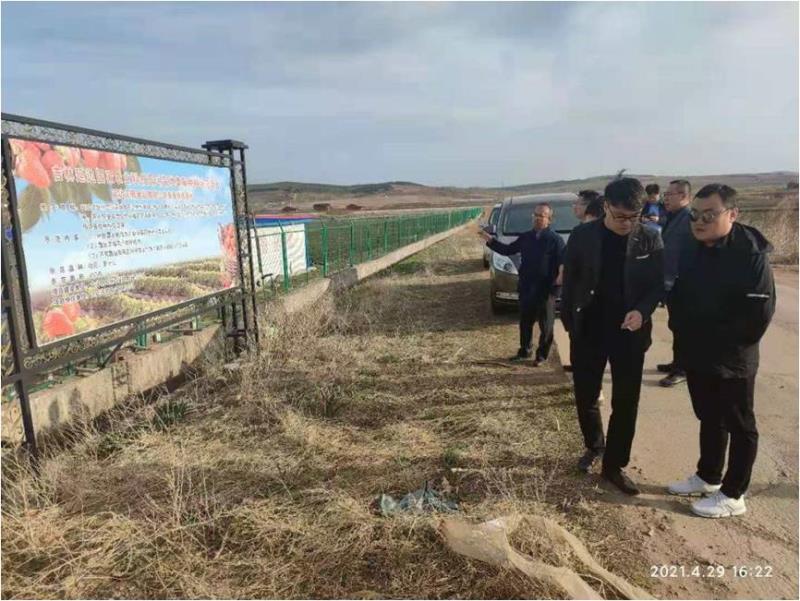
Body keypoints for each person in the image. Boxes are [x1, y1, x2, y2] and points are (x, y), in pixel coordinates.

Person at [666, 184, 775, 518]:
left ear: (733, 214)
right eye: (695, 215)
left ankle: (733, 494)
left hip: (732, 358)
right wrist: (682, 333)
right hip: (697, 352)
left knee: (740, 424)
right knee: (710, 416)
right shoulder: (694, 247)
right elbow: (680, 294)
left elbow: (757, 316)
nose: (699, 222)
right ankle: (709, 476)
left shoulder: (750, 254)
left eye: (709, 215)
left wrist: (718, 344)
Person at [561, 177, 664, 494]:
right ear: (605, 206)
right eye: (620, 216)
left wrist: (642, 311)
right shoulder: (582, 236)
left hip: (629, 333)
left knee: (626, 401)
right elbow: (571, 280)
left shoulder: (649, 238)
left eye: (634, 217)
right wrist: (569, 321)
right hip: (589, 330)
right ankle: (594, 445)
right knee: (586, 394)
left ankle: (614, 465)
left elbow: (657, 285)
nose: (627, 223)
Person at [479, 203, 565, 366]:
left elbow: (563, 262)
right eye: (535, 215)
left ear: (549, 219)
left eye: (542, 216)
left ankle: (542, 355)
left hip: (546, 290)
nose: (537, 218)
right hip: (527, 287)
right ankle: (525, 351)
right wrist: (489, 240)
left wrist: (558, 283)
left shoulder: (555, 240)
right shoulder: (526, 237)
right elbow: (507, 250)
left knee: (546, 326)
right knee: (525, 322)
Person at [657, 179, 694, 387]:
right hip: (671, 281)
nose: (666, 198)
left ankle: (683, 369)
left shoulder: (689, 219)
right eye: (666, 194)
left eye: (670, 194)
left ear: (684, 196)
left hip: (683, 282)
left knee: (683, 327)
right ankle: (677, 362)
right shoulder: (672, 217)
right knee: (676, 324)